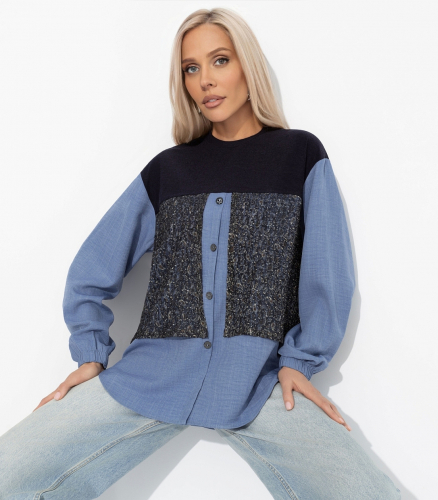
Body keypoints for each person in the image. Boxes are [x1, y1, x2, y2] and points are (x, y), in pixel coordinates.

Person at [0, 7, 401, 499]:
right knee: (9, 471)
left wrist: (300, 361)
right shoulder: (169, 170)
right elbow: (90, 270)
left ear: (247, 66)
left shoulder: (300, 155)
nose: (205, 80)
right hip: (148, 378)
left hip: (260, 384)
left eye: (220, 60)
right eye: (191, 68)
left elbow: (328, 274)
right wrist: (90, 354)